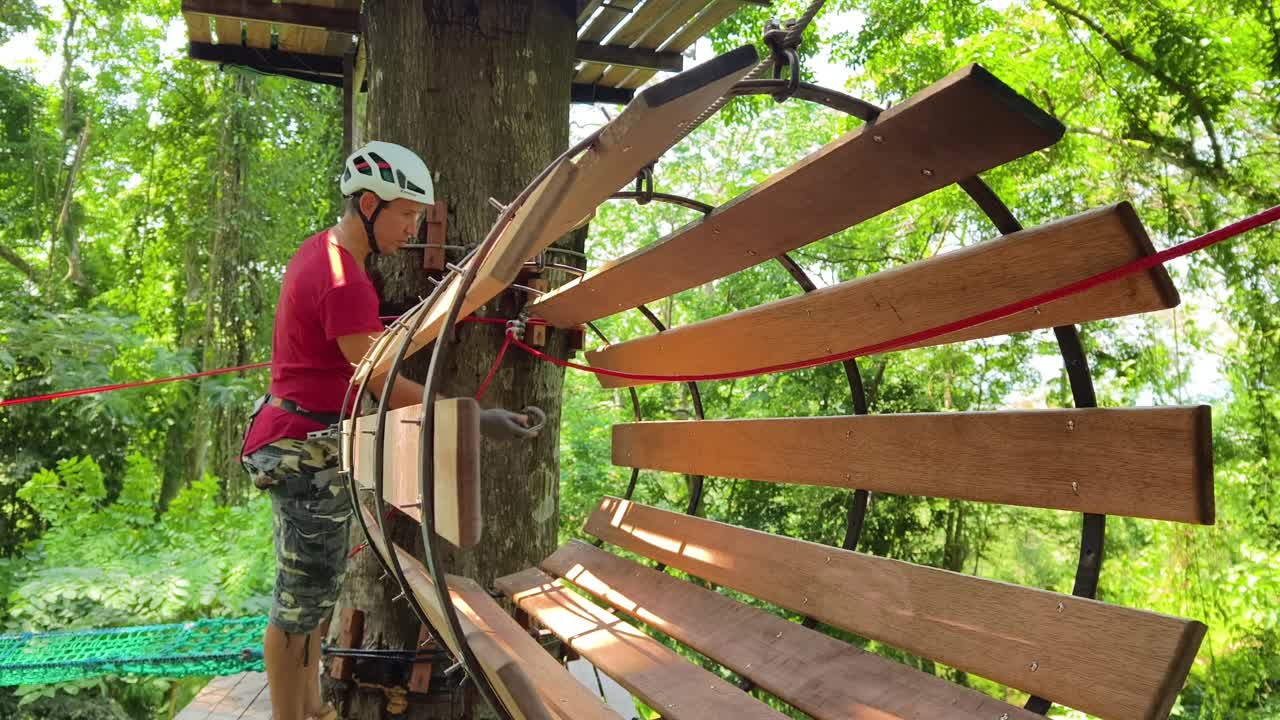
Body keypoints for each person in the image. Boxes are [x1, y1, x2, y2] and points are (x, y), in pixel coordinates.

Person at [240, 141, 536, 720]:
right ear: (369, 204)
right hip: (303, 449)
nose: (410, 229)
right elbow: (372, 379)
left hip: (302, 443)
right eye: (405, 215)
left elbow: (362, 374)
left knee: (316, 593)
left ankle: (311, 710)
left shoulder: (322, 254)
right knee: (299, 604)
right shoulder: (343, 277)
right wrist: (470, 417)